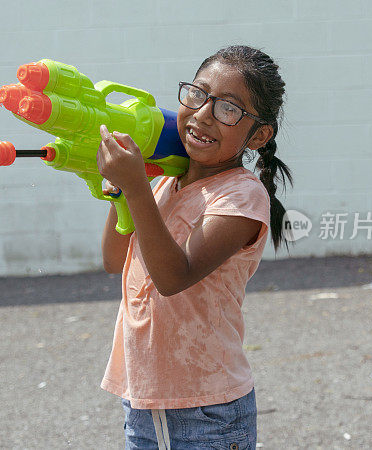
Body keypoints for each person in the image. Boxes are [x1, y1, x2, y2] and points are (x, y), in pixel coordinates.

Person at [96, 45, 292, 449]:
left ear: (258, 135)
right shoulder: (167, 183)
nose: (203, 114)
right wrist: (123, 192)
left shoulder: (242, 197)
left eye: (228, 109)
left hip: (205, 408)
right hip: (146, 396)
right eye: (198, 94)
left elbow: (172, 277)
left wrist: (136, 187)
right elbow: (114, 261)